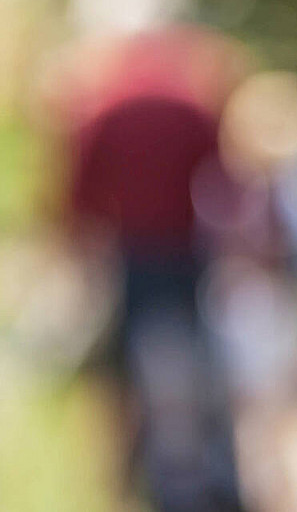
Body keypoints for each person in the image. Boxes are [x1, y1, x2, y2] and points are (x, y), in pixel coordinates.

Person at [64, 28, 245, 512]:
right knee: (182, 377)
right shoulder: (190, 107)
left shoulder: (101, 110)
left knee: (137, 384)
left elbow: (78, 200)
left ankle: (146, 486)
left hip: (136, 260)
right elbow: (221, 183)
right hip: (180, 258)